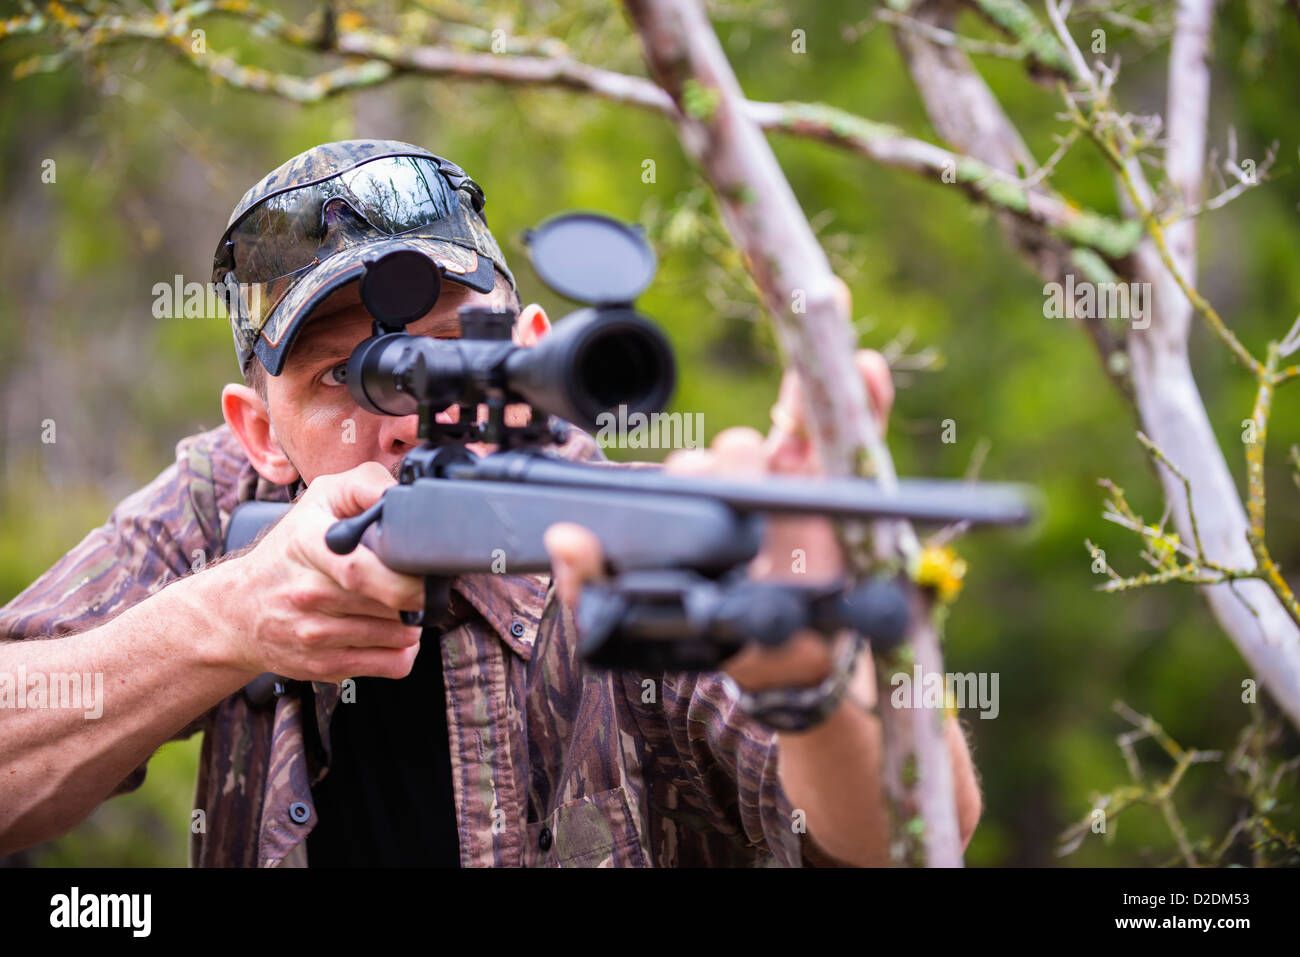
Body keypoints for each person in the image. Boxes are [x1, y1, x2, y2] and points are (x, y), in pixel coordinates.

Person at [0, 140, 981, 866]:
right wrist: (223, 621)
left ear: (533, 351)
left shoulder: (622, 541)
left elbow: (914, 838)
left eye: (448, 350)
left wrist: (809, 672)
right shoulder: (227, 502)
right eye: (344, 375)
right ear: (258, 431)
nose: (404, 417)